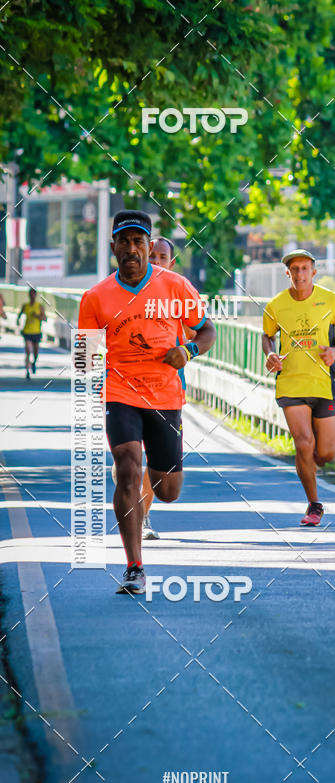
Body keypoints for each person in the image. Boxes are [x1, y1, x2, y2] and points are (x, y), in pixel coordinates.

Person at [78, 211, 216, 594]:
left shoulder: (175, 286)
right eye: (124, 241)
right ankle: (134, 566)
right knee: (127, 468)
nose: (131, 249)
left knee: (167, 490)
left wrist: (188, 350)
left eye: (138, 242)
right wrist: (86, 359)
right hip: (120, 394)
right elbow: (84, 356)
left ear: (149, 245)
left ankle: (155, 483)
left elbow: (207, 329)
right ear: (113, 247)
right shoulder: (95, 297)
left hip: (165, 395)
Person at [262, 249, 335, 526]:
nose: (299, 274)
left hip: (325, 383)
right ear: (287, 273)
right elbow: (267, 336)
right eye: (294, 269)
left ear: (313, 272)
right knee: (303, 443)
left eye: (304, 268)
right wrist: (270, 353)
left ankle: (306, 464)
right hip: (291, 383)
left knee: (325, 454)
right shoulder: (276, 305)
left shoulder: (331, 300)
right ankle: (314, 504)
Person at [137, 236, 197, 540]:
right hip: (127, 388)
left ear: (171, 263)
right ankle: (132, 498)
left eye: (163, 257)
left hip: (168, 389)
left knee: (154, 458)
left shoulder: (178, 291)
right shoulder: (125, 289)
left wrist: (187, 347)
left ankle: (143, 516)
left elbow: (198, 332)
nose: (157, 262)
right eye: (152, 256)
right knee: (130, 457)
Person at [17, 287, 46, 378]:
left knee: (36, 352)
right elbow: (19, 315)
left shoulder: (39, 306)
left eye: (34, 294)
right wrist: (18, 322)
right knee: (28, 351)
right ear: (29, 295)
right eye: (31, 294)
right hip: (27, 332)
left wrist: (37, 316)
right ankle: (27, 371)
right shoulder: (25, 306)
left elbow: (44, 318)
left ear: (36, 295)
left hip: (36, 332)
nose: (32, 296)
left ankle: (33, 363)